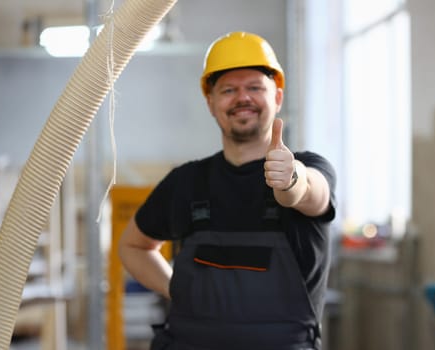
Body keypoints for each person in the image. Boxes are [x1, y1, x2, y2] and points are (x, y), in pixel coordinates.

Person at [118, 31, 337, 350]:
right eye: (229, 90)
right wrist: (178, 290)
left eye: (254, 88)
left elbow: (311, 195)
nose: (242, 98)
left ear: (277, 97)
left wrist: (291, 180)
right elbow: (133, 246)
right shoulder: (186, 182)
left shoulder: (310, 167)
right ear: (210, 102)